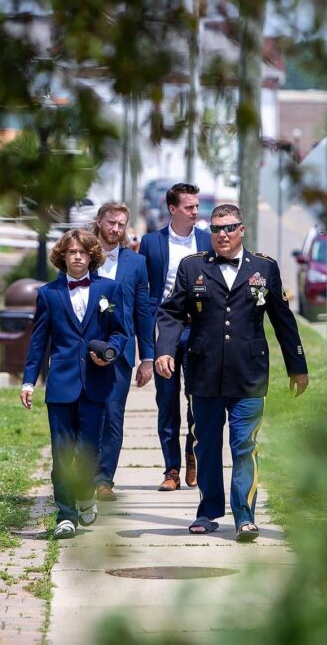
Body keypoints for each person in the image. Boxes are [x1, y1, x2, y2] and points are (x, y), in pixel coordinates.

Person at [155, 204, 309, 542]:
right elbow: (171, 313)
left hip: (248, 375)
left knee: (244, 446)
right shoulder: (191, 266)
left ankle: (245, 517)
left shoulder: (264, 268)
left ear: (242, 230)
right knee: (206, 445)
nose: (222, 235)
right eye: (216, 228)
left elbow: (283, 319)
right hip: (204, 373)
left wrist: (297, 366)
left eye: (229, 228)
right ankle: (208, 511)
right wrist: (164, 350)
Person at [20, 229, 129, 540]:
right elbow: (38, 342)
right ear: (63, 257)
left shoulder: (109, 289)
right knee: (62, 453)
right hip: (61, 385)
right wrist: (29, 381)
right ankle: (65, 514)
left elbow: (120, 332)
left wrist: (111, 353)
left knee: (88, 450)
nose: (78, 256)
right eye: (72, 252)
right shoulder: (49, 294)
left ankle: (85, 495)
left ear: (91, 256)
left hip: (97, 384)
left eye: (83, 252)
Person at [138, 183, 212, 491]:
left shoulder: (209, 241)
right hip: (165, 330)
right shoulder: (151, 243)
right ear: (173, 209)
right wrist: (147, 344)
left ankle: (193, 457)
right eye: (189, 207)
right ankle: (171, 470)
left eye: (197, 206)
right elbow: (145, 293)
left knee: (197, 400)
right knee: (166, 402)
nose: (195, 211)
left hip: (198, 330)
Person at [91, 202, 155, 502]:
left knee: (114, 417)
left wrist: (147, 358)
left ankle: (104, 480)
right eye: (111, 222)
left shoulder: (136, 264)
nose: (116, 229)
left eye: (121, 224)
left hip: (121, 353)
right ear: (99, 222)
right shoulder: (81, 256)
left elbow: (143, 312)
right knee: (85, 416)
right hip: (84, 349)